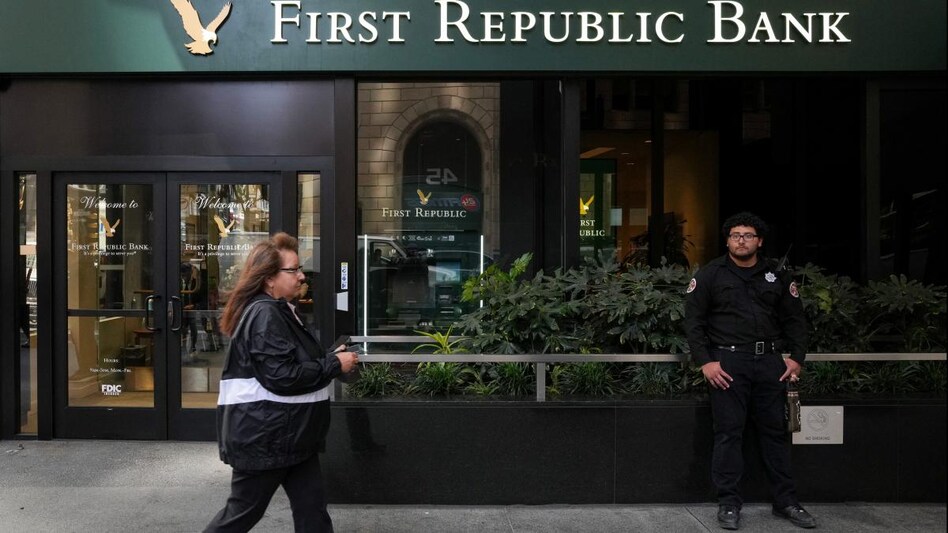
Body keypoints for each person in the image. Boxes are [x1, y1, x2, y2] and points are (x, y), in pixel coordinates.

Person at [204, 232, 359, 533]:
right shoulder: (265, 314)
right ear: (269, 278)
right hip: (268, 439)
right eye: (294, 270)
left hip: (288, 436)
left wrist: (329, 358)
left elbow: (286, 365)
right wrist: (332, 364)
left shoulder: (279, 311)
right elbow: (281, 376)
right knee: (241, 514)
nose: (302, 276)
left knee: (312, 512)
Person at [684, 212, 816, 530]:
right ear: (727, 240)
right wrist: (706, 362)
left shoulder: (777, 275)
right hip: (727, 365)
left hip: (771, 364)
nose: (741, 240)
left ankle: (787, 502)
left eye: (748, 235)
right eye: (735, 235)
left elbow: (795, 320)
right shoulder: (711, 275)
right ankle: (729, 504)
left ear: (759, 241)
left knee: (775, 434)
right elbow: (693, 322)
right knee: (728, 433)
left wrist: (796, 358)